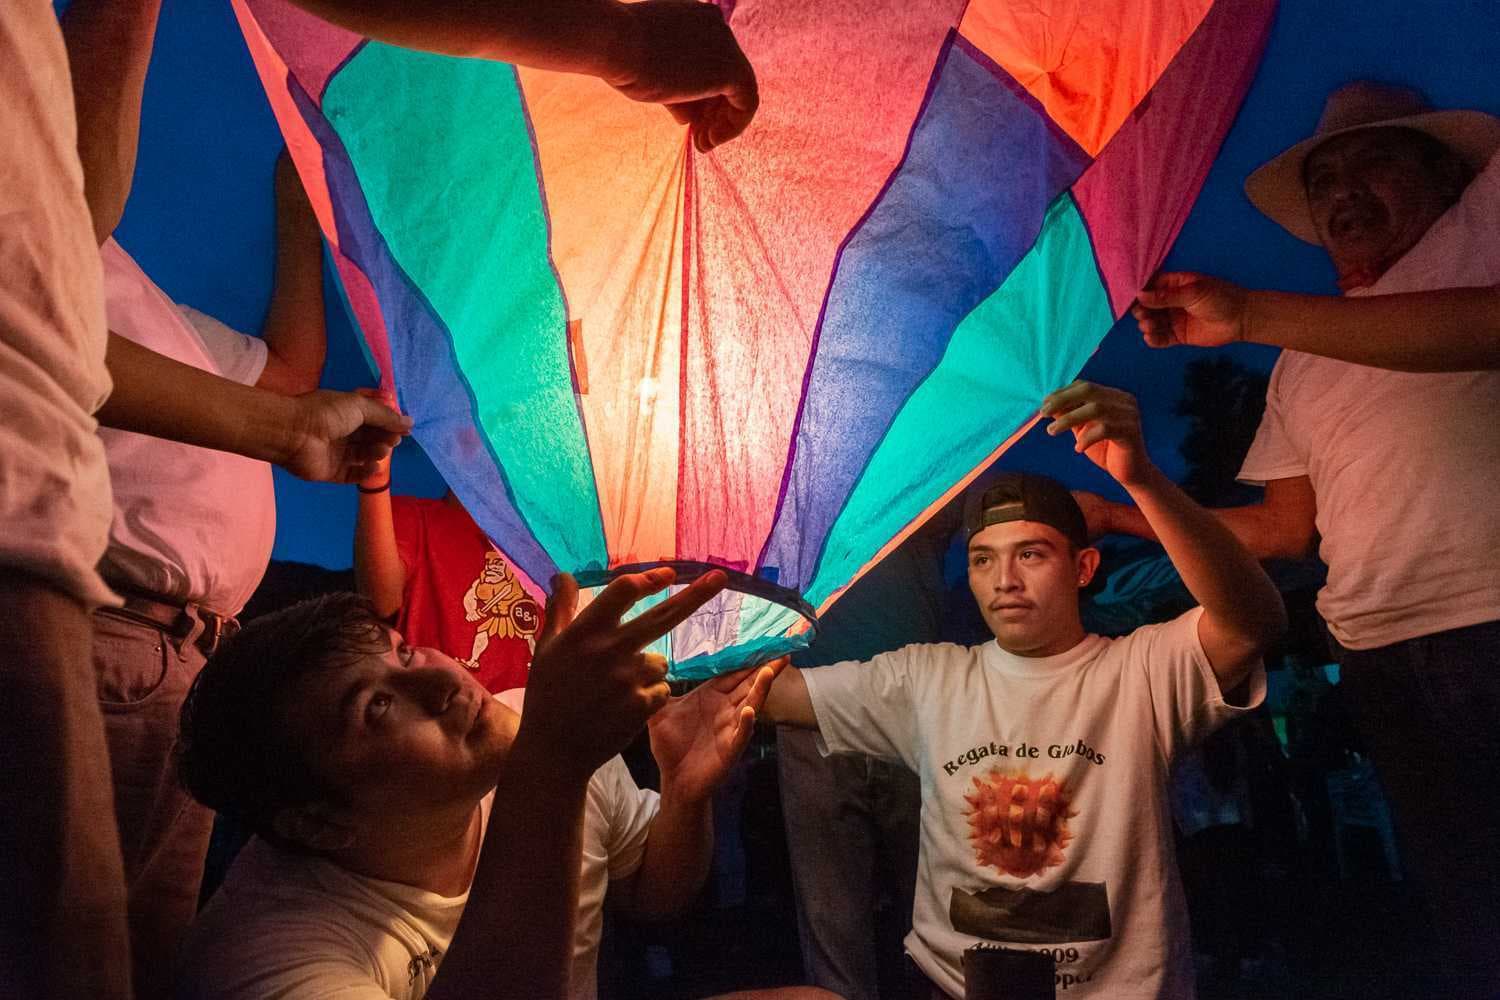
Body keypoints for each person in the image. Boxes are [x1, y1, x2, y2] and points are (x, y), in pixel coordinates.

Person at [1084, 81, 1500, 994]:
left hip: (1492, 619)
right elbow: (1280, 528)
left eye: (1375, 161)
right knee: (1471, 914)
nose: (1343, 190)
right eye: (1325, 179)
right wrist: (1119, 515)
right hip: (1383, 656)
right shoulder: (1302, 362)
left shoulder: (1484, 235)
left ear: (1448, 176)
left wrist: (1253, 312)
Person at [760, 381, 1286, 999]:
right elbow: (780, 695)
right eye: (982, 559)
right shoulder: (928, 677)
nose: (1002, 581)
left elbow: (1252, 621)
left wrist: (1140, 480)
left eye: (1030, 554)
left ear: (1083, 569)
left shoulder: (1140, 671)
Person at [170, 582, 830, 1000]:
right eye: (376, 708)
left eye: (401, 653)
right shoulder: (263, 955)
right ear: (315, 823)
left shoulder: (529, 728)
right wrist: (553, 764)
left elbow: (652, 894)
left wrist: (682, 794)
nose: (441, 681)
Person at [776, 505, 961, 1000]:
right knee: (831, 912)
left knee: (939, 895)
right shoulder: (791, 491)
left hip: (913, 712)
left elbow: (1000, 493)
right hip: (806, 711)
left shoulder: (921, 472)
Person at [355, 452, 541, 693]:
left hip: (537, 720)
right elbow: (380, 601)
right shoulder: (415, 517)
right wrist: (375, 476)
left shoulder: (544, 545)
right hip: (444, 714)